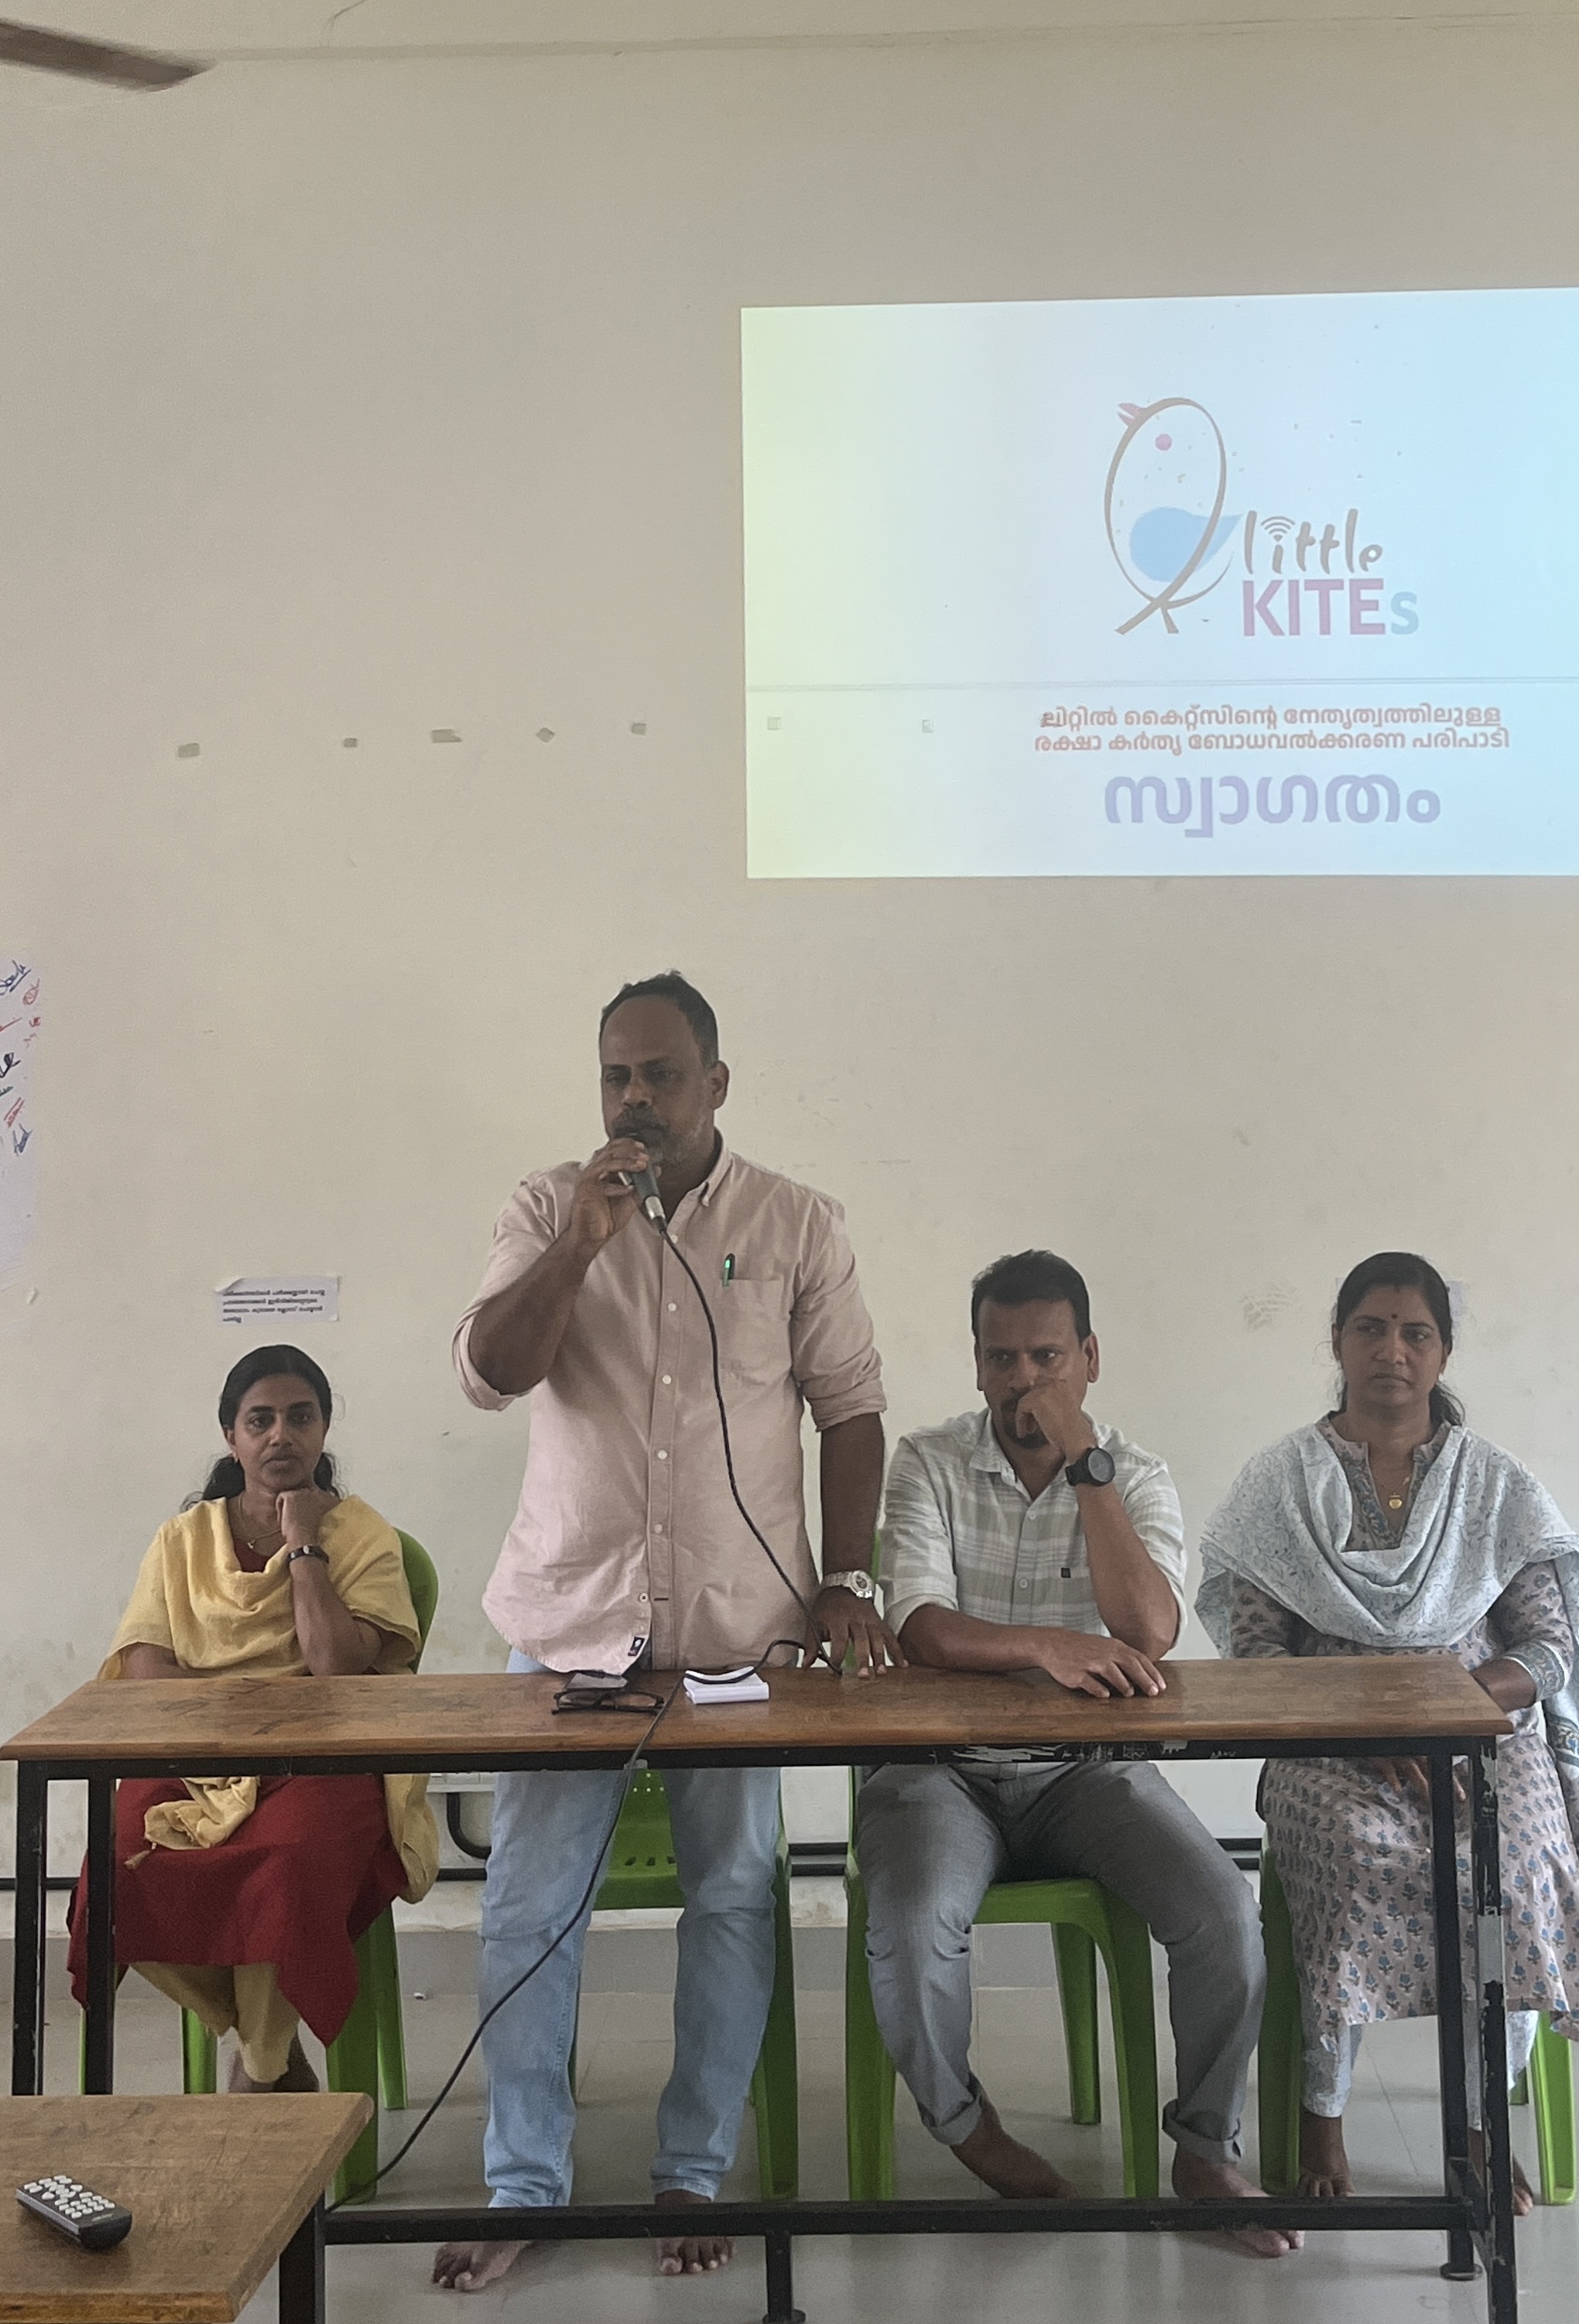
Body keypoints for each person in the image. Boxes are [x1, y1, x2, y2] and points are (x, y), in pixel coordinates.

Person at [435, 969, 892, 2293]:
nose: (633, 1098)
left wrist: (848, 1575)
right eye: (614, 1076)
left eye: (659, 1073)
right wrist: (581, 1243)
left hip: (735, 1635)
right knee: (528, 1906)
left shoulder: (796, 1221)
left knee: (734, 1895)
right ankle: (525, 2181)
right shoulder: (546, 1207)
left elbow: (851, 1408)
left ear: (715, 1083)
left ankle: (692, 2167)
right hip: (568, 1625)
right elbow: (490, 1374)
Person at [858, 1249, 1296, 2262]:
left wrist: (1083, 1460)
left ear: (1089, 1358)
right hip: (938, 1768)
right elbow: (919, 1623)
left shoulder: (1133, 1473)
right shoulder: (927, 1460)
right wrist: (1047, 1648)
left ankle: (1204, 2149)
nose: (1023, 1381)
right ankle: (969, 2130)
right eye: (1001, 1358)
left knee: (1223, 1915)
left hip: (1086, 1768)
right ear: (976, 1363)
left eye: (1046, 1358)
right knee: (913, 1925)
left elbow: (1148, 1629)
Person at [1197, 1251, 1579, 2213]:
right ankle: (1323, 2115)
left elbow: (1548, 1650)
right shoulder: (1280, 1484)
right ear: (1338, 1343)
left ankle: (1481, 2124)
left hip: (1479, 1730)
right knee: (1350, 1854)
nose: (1392, 1349)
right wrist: (1358, 1721)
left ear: (1443, 1352)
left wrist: (1447, 1708)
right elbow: (1257, 1658)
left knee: (1515, 1860)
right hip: (1325, 1738)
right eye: (1371, 1329)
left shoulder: (1495, 1484)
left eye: (1415, 1332)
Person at [68, 1345, 437, 2093]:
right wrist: (247, 1715)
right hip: (195, 1756)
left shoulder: (364, 1535)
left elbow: (335, 1669)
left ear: (324, 1429)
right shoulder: (182, 1539)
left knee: (289, 1865)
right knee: (117, 1871)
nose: (280, 1436)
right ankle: (269, 2052)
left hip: (324, 1758)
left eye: (300, 1418)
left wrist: (305, 1544)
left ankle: (259, 2075)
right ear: (231, 1437)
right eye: (259, 1421)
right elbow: (143, 1667)